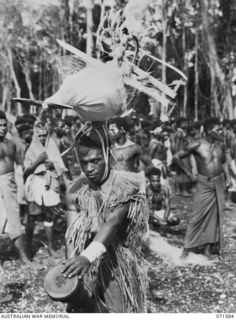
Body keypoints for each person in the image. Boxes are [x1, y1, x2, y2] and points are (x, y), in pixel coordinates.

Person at [62, 126, 147, 313]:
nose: (90, 168)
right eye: (84, 163)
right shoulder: (75, 190)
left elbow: (113, 222)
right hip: (84, 262)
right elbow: (72, 234)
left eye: (95, 161)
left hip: (117, 263)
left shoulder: (125, 186)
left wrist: (86, 257)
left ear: (108, 155)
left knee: (118, 311)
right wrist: (71, 267)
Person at [174, 118, 231, 259]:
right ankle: (186, 249)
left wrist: (228, 178)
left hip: (219, 183)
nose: (221, 132)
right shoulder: (197, 144)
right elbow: (176, 157)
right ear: (209, 131)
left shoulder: (220, 146)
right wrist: (189, 174)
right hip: (204, 184)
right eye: (218, 129)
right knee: (196, 217)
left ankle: (208, 249)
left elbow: (223, 163)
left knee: (215, 216)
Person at [24, 121, 66, 258]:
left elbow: (60, 165)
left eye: (44, 135)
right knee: (32, 216)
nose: (42, 137)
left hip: (50, 181)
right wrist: (38, 160)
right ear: (35, 135)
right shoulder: (30, 149)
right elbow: (26, 171)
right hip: (36, 182)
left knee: (49, 215)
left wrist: (52, 164)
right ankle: (28, 247)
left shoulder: (52, 145)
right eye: (39, 135)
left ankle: (50, 246)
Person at [0, 110, 30, 265]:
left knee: (14, 220)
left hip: (10, 183)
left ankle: (24, 258)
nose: (2, 128)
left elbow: (21, 163)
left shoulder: (11, 143)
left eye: (4, 125)